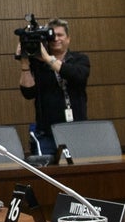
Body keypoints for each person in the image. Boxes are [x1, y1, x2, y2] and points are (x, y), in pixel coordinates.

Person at [17, 18, 90, 155]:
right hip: (47, 133)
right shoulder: (38, 63)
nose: (55, 38)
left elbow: (77, 76)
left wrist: (47, 59)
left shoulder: (80, 59)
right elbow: (28, 93)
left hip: (77, 129)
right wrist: (25, 62)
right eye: (52, 35)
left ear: (68, 38)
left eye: (60, 35)